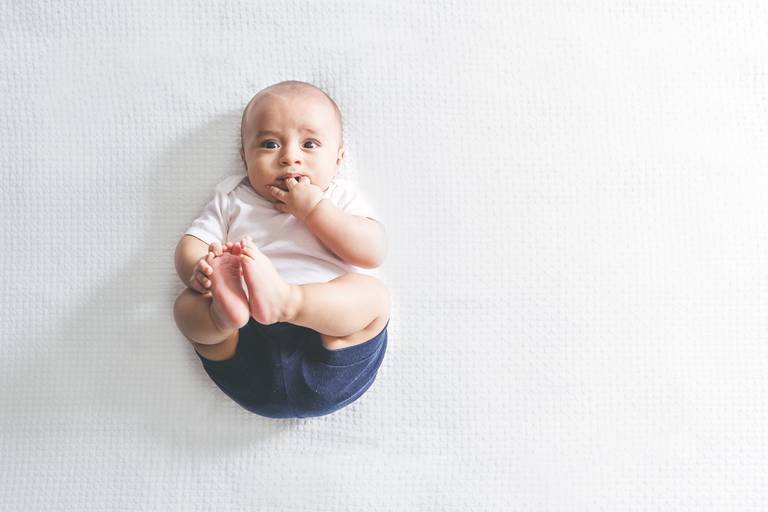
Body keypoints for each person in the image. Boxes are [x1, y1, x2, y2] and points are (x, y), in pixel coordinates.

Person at [173, 80, 391, 419]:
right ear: (245, 157)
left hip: (328, 345)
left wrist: (313, 210)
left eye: (309, 144)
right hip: (244, 346)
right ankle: (221, 315)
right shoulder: (233, 199)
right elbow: (192, 245)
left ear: (338, 159)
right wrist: (199, 270)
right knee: (188, 306)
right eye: (270, 143)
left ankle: (289, 301)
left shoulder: (337, 197)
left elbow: (371, 250)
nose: (290, 157)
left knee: (372, 295)